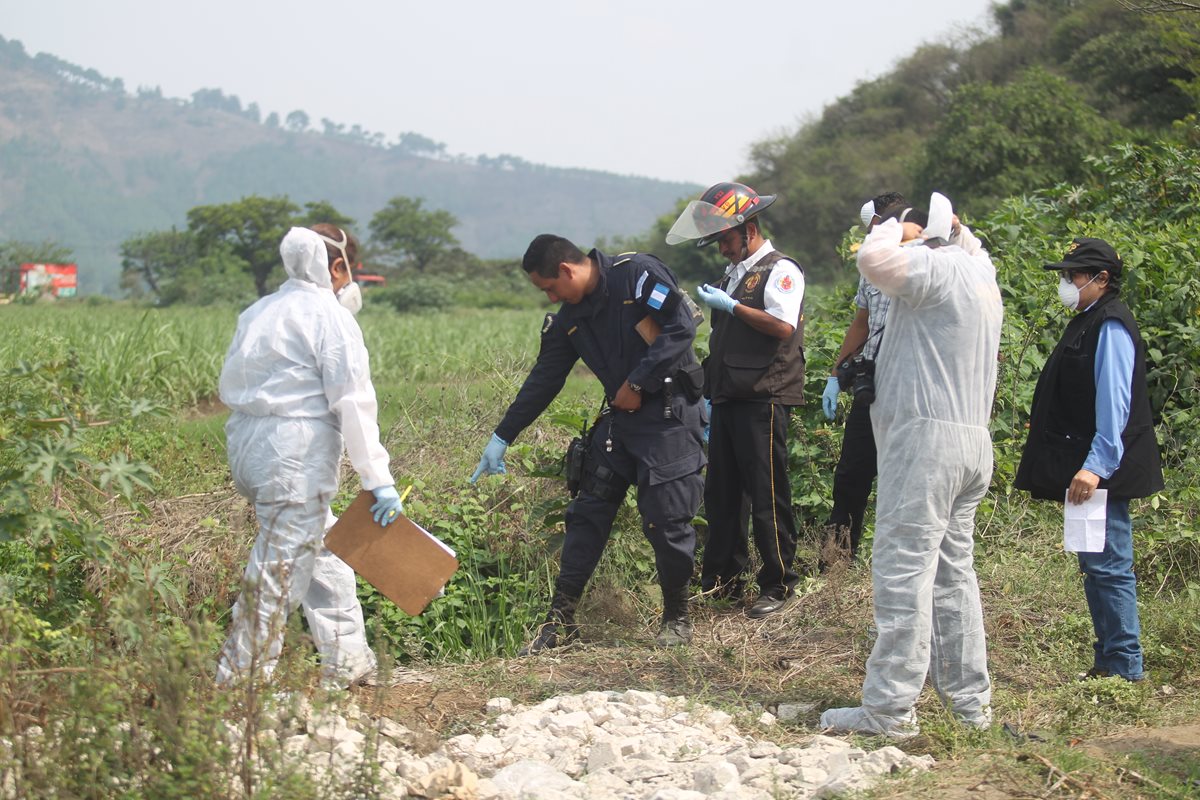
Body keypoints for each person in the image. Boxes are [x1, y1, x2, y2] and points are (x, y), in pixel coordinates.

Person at [820, 194, 1001, 738]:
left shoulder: (937, 268)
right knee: (953, 575)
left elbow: (874, 262)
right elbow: (975, 247)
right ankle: (971, 708)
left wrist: (893, 228)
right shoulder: (979, 273)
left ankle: (888, 710)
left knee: (902, 573)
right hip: (970, 443)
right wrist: (944, 230)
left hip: (926, 443)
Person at [471, 234, 706, 652]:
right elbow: (546, 377)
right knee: (587, 513)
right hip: (621, 422)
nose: (549, 296)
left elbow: (680, 326)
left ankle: (677, 617)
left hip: (667, 416)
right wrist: (502, 435)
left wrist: (637, 380)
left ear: (566, 269)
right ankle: (559, 622)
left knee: (666, 521)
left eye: (549, 287)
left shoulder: (636, 276)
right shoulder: (571, 318)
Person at [216, 225, 404, 688]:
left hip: (250, 448)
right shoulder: (330, 317)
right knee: (277, 575)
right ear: (336, 267)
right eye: (348, 271)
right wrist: (376, 478)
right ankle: (240, 684)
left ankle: (349, 658)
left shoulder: (258, 311)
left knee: (324, 551)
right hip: (294, 458)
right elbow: (353, 402)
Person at [1014, 238, 1163, 682]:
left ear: (1101, 279)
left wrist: (1096, 467)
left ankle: (1125, 667)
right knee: (1093, 563)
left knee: (1111, 567)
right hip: (1087, 469)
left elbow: (1115, 405)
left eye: (1074, 275)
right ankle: (1107, 660)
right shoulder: (1087, 318)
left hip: (1101, 471)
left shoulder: (1111, 324)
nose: (1067, 282)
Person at [666, 181, 805, 618]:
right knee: (722, 494)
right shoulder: (737, 272)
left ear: (748, 228)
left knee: (766, 493)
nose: (722, 249)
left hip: (764, 396)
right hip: (728, 395)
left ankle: (779, 584)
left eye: (725, 239)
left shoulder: (780, 269)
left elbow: (782, 326)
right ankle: (721, 580)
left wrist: (731, 307)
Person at [819, 192, 906, 567]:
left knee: (901, 479)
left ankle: (895, 561)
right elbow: (861, 322)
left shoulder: (925, 262)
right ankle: (837, 559)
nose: (873, 234)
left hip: (908, 388)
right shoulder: (871, 268)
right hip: (870, 385)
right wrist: (837, 373)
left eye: (876, 227)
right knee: (852, 473)